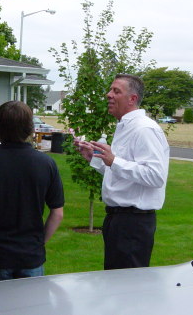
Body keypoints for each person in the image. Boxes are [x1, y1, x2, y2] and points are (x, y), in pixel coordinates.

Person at [0, 101, 64, 282]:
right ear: (29, 128)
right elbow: (57, 213)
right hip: (31, 256)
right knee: (29, 308)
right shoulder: (46, 164)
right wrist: (39, 243)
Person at [75, 74, 169, 270]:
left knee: (128, 289)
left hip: (133, 224)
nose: (108, 95)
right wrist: (94, 157)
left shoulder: (144, 130)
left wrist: (114, 161)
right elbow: (121, 176)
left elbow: (156, 176)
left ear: (132, 99)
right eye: (110, 90)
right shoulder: (124, 127)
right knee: (115, 284)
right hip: (117, 221)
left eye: (116, 91)